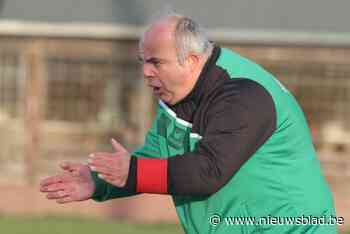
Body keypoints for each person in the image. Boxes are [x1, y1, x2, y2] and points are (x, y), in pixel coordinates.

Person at [40, 13, 337, 234]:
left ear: (192, 61)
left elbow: (208, 171)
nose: (145, 72)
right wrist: (99, 181)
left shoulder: (243, 96)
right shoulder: (178, 93)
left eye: (155, 62)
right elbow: (154, 159)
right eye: (142, 60)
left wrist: (133, 171)